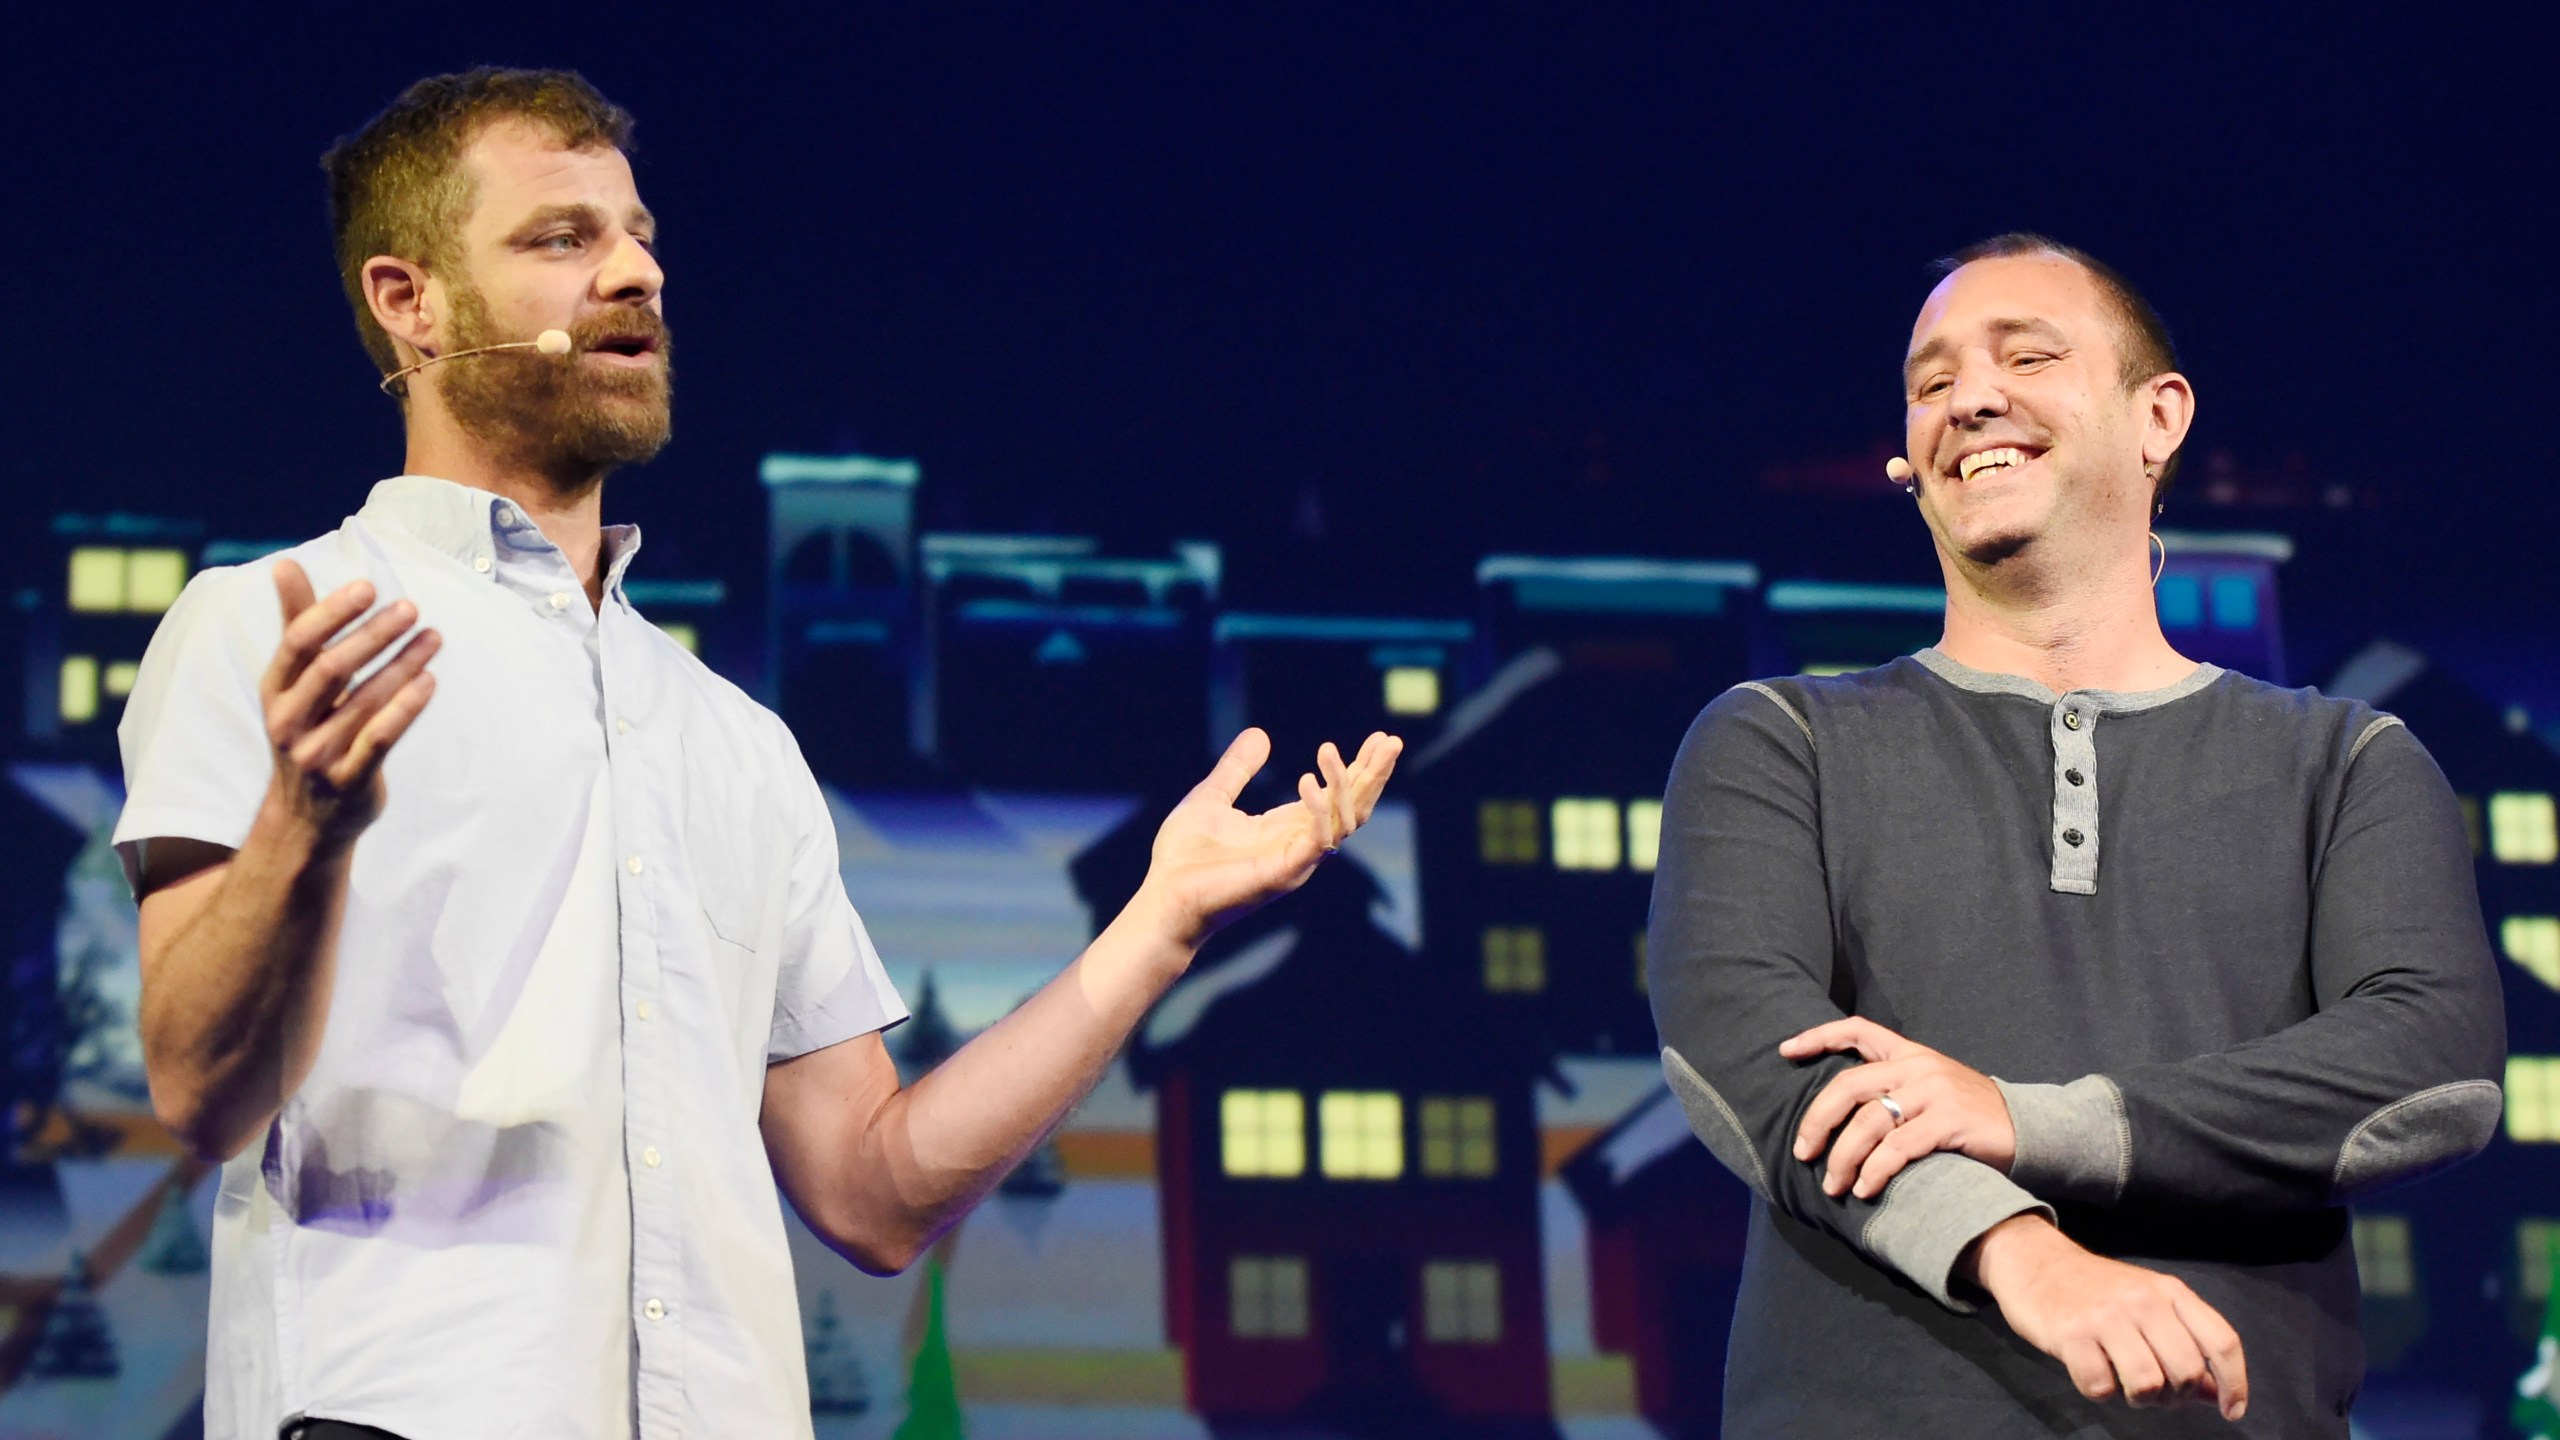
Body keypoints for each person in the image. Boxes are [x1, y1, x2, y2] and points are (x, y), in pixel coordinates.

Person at [114, 68, 1401, 1440]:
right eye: (562, 239)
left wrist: (1159, 924)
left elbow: (875, 1192)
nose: (636, 273)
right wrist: (303, 828)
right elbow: (202, 1089)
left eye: (640, 235)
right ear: (407, 301)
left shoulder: (732, 739)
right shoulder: (269, 625)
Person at [1644, 233, 2505, 1436]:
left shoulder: (2346, 763)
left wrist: (2029, 1119)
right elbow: (1750, 1060)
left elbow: (2431, 1067)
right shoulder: (1778, 739)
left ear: (2158, 418)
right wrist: (2018, 1251)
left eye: (2026, 356)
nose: (1970, 398)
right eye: (1930, 382)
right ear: (1907, 457)